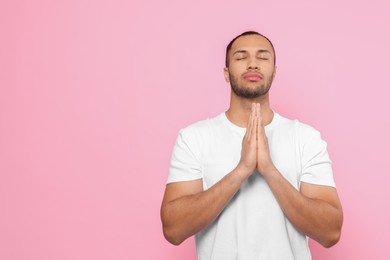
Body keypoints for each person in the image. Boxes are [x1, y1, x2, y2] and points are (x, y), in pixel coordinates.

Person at [160, 31, 343, 260]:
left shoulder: (306, 138)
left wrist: (268, 169)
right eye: (241, 57)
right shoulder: (193, 138)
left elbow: (330, 232)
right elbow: (173, 229)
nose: (253, 64)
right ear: (226, 73)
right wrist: (241, 170)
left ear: (274, 72)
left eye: (263, 57)